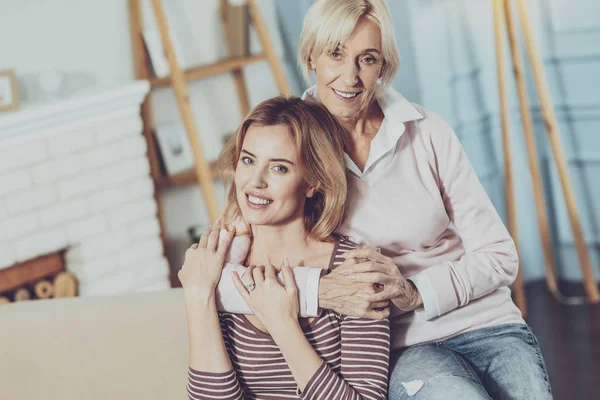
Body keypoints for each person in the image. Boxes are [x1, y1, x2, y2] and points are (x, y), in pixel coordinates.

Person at [213, 1, 554, 399]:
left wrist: (415, 291)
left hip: (488, 321)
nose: (350, 76)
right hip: (399, 343)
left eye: (367, 59)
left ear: (384, 66)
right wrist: (321, 292)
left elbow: (499, 255)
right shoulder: (289, 145)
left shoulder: (426, 132)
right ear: (310, 56)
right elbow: (219, 279)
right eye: (335, 53)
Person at [179, 96, 390, 400]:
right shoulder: (220, 263)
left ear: (312, 182)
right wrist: (198, 295)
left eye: (279, 168)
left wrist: (283, 325)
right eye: (248, 160)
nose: (255, 182)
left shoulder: (354, 271)